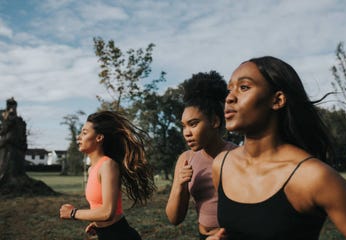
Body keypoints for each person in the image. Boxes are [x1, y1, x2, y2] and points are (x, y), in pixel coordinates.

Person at [207, 56, 346, 240]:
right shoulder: (222, 165)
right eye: (229, 89)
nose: (230, 97)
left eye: (244, 87)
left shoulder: (313, 177)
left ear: (277, 100)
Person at [60, 111, 156, 240]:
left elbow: (107, 212)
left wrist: (73, 213)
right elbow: (100, 207)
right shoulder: (93, 169)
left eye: (84, 133)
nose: (79, 137)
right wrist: (98, 224)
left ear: (99, 138)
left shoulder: (108, 165)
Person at [165, 71, 238, 239]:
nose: (186, 133)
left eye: (193, 124)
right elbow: (174, 219)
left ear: (214, 121)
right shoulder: (186, 159)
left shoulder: (238, 155)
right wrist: (179, 186)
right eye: (183, 126)